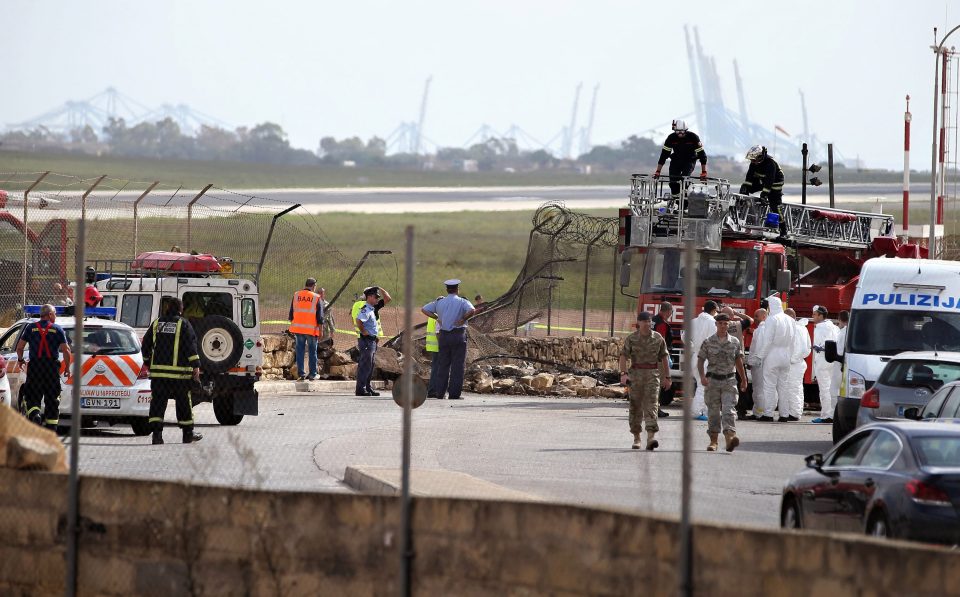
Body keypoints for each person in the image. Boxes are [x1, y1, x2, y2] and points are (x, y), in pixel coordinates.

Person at [141, 297, 202, 444]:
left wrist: (148, 362)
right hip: (180, 375)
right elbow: (190, 347)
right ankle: (187, 434)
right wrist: (196, 366)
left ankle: (157, 435)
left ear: (167, 308)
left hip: (159, 374)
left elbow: (145, 346)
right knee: (183, 403)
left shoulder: (157, 323)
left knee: (158, 403)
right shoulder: (184, 324)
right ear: (180, 310)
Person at [619, 311, 671, 450]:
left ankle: (651, 437)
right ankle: (636, 438)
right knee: (635, 407)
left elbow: (664, 357)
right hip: (636, 375)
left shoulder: (658, 338)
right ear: (639, 323)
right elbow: (623, 356)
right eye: (644, 321)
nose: (647, 324)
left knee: (652, 405)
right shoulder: (632, 338)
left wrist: (667, 377)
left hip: (652, 375)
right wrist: (623, 374)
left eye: (649, 321)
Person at [16, 304, 71, 432]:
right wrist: (67, 368)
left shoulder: (31, 328)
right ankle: (51, 428)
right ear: (50, 315)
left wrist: (20, 360)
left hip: (35, 367)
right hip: (51, 368)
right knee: (52, 398)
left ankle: (35, 415)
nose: (56, 316)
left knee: (32, 396)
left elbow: (19, 348)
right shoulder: (58, 329)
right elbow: (66, 351)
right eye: (55, 314)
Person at [697, 313, 748, 452]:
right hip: (712, 381)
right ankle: (713, 441)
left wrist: (743, 379)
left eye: (726, 323)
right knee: (713, 412)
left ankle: (730, 439)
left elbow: (738, 361)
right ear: (716, 324)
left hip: (729, 381)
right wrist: (702, 376)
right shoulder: (708, 341)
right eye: (720, 323)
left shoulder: (735, 342)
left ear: (729, 324)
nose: (723, 326)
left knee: (728, 410)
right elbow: (700, 360)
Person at [421, 279, 476, 400]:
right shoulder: (462, 301)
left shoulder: (440, 302)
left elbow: (424, 309)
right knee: (457, 366)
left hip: (444, 336)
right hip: (458, 335)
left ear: (447, 289)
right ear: (457, 289)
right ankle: (454, 394)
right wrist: (462, 319)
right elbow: (472, 310)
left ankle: (440, 393)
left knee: (443, 365)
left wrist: (436, 317)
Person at [752, 296, 794, 422]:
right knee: (783, 386)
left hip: (773, 355)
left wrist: (760, 356)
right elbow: (793, 341)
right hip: (786, 355)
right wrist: (790, 356)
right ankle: (784, 414)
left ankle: (768, 414)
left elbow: (768, 341)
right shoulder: (790, 319)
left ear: (770, 306)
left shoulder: (771, 319)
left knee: (769, 386)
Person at [653, 119, 708, 207]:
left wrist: (704, 172)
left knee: (684, 180)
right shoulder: (671, 138)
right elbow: (664, 155)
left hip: (689, 161)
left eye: (682, 131)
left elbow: (702, 155)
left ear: (685, 130)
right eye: (677, 132)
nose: (680, 134)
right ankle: (678, 204)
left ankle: (686, 203)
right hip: (676, 161)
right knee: (673, 183)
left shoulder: (693, 137)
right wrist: (658, 171)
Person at [740, 145, 786, 237]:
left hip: (775, 184)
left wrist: (764, 194)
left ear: (760, 157)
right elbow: (749, 177)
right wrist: (745, 189)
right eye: (751, 160)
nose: (753, 162)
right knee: (745, 187)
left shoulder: (770, 164)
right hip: (763, 181)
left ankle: (783, 230)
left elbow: (769, 181)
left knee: (775, 206)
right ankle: (742, 211)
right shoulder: (753, 164)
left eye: (754, 159)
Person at [288, 278, 323, 381]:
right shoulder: (316, 297)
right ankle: (312, 374)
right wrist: (320, 331)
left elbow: (291, 313)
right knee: (312, 352)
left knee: (300, 352)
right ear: (314, 286)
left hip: (298, 330)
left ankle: (301, 374)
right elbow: (320, 317)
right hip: (311, 330)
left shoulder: (296, 295)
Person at [689, 300, 719, 421]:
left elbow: (684, 337)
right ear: (713, 310)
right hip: (707, 358)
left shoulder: (693, 321)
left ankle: (704, 411)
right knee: (704, 385)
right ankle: (696, 411)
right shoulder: (714, 323)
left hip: (695, 356)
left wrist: (694, 347)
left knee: (701, 384)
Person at [811, 305, 840, 424]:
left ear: (820, 315)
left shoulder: (820, 327)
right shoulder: (833, 326)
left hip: (823, 360)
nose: (812, 316)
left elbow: (819, 345)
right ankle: (832, 413)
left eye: (814, 314)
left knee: (824, 389)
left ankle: (826, 415)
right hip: (833, 360)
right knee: (832, 389)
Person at [780, 308, 810, 422]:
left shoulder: (796, 329)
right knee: (797, 388)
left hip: (794, 363)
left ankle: (794, 413)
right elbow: (807, 348)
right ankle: (796, 411)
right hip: (799, 362)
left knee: (792, 388)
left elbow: (798, 348)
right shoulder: (802, 328)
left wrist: (791, 360)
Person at [355, 287, 382, 397]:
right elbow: (359, 320)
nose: (377, 299)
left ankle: (367, 387)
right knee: (365, 365)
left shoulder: (371, 309)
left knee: (370, 365)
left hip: (372, 341)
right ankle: (360, 389)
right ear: (369, 297)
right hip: (366, 341)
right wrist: (364, 332)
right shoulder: (365, 309)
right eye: (375, 297)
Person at [651, 302, 675, 418]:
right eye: (671, 312)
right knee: (659, 383)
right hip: (658, 357)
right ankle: (656, 409)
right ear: (668, 311)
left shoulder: (652, 320)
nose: (671, 314)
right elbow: (662, 341)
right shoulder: (661, 324)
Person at [744, 308, 768, 420]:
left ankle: (760, 413)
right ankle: (757, 411)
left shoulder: (762, 330)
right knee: (757, 389)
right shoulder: (761, 329)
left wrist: (752, 361)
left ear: (764, 316)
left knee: (759, 390)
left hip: (759, 364)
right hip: (757, 363)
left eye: (756, 316)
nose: (754, 319)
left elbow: (758, 349)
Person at [424, 296, 442, 398]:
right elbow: (438, 333)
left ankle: (433, 390)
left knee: (435, 369)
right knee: (437, 370)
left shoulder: (432, 316)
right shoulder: (438, 317)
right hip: (438, 347)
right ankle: (433, 391)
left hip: (433, 347)